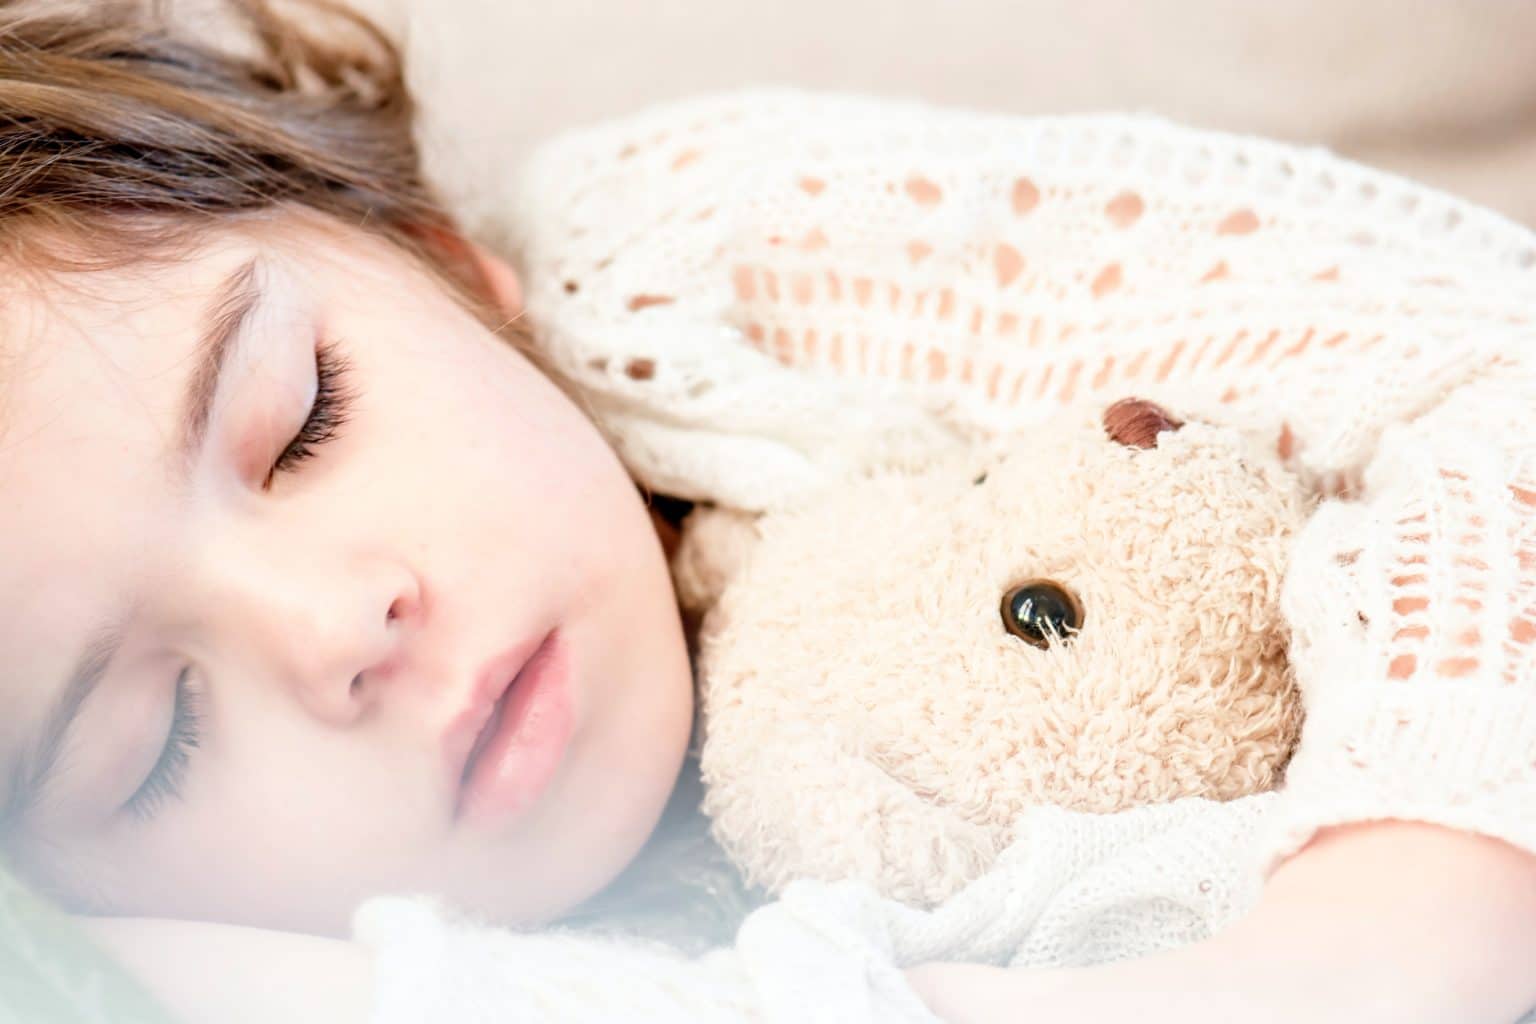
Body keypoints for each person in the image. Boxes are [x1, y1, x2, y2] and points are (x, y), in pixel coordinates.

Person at [0, 1, 1533, 1022]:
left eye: (305, 423)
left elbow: (1482, 343)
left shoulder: (695, 254)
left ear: (438, 256)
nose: (342, 624)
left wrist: (1426, 890)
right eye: (158, 743)